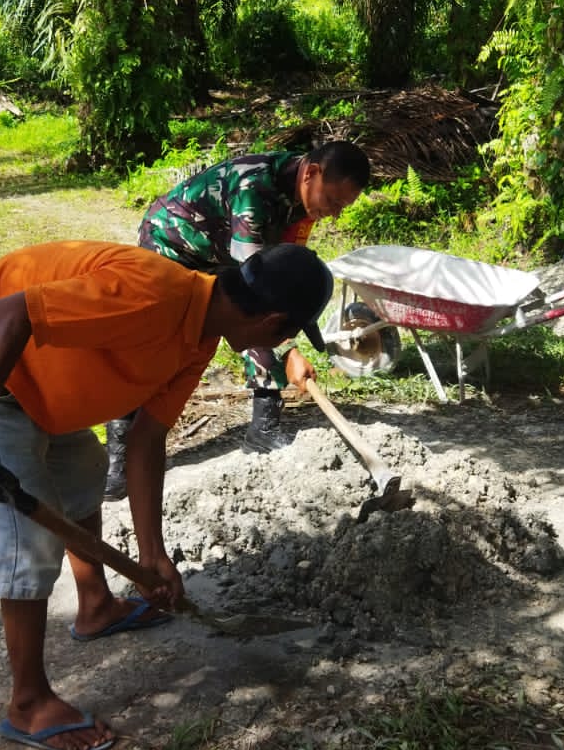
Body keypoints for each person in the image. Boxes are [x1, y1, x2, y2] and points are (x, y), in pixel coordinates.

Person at [0, 239, 333, 750]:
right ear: (273, 323)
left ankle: (96, 605)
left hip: (42, 384)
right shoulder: (155, 296)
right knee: (25, 540)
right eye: (291, 333)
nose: (286, 340)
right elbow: (10, 312)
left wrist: (152, 553)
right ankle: (27, 702)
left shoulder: (199, 337)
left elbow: (145, 440)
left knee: (83, 476)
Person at [103, 140, 371, 500]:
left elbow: (285, 278)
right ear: (311, 174)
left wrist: (289, 333)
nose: (334, 213)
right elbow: (259, 293)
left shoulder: (303, 202)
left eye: (343, 207)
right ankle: (118, 459)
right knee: (153, 344)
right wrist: (290, 350)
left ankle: (262, 427)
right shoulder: (254, 189)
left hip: (222, 256)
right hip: (173, 244)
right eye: (334, 201)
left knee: (258, 316)